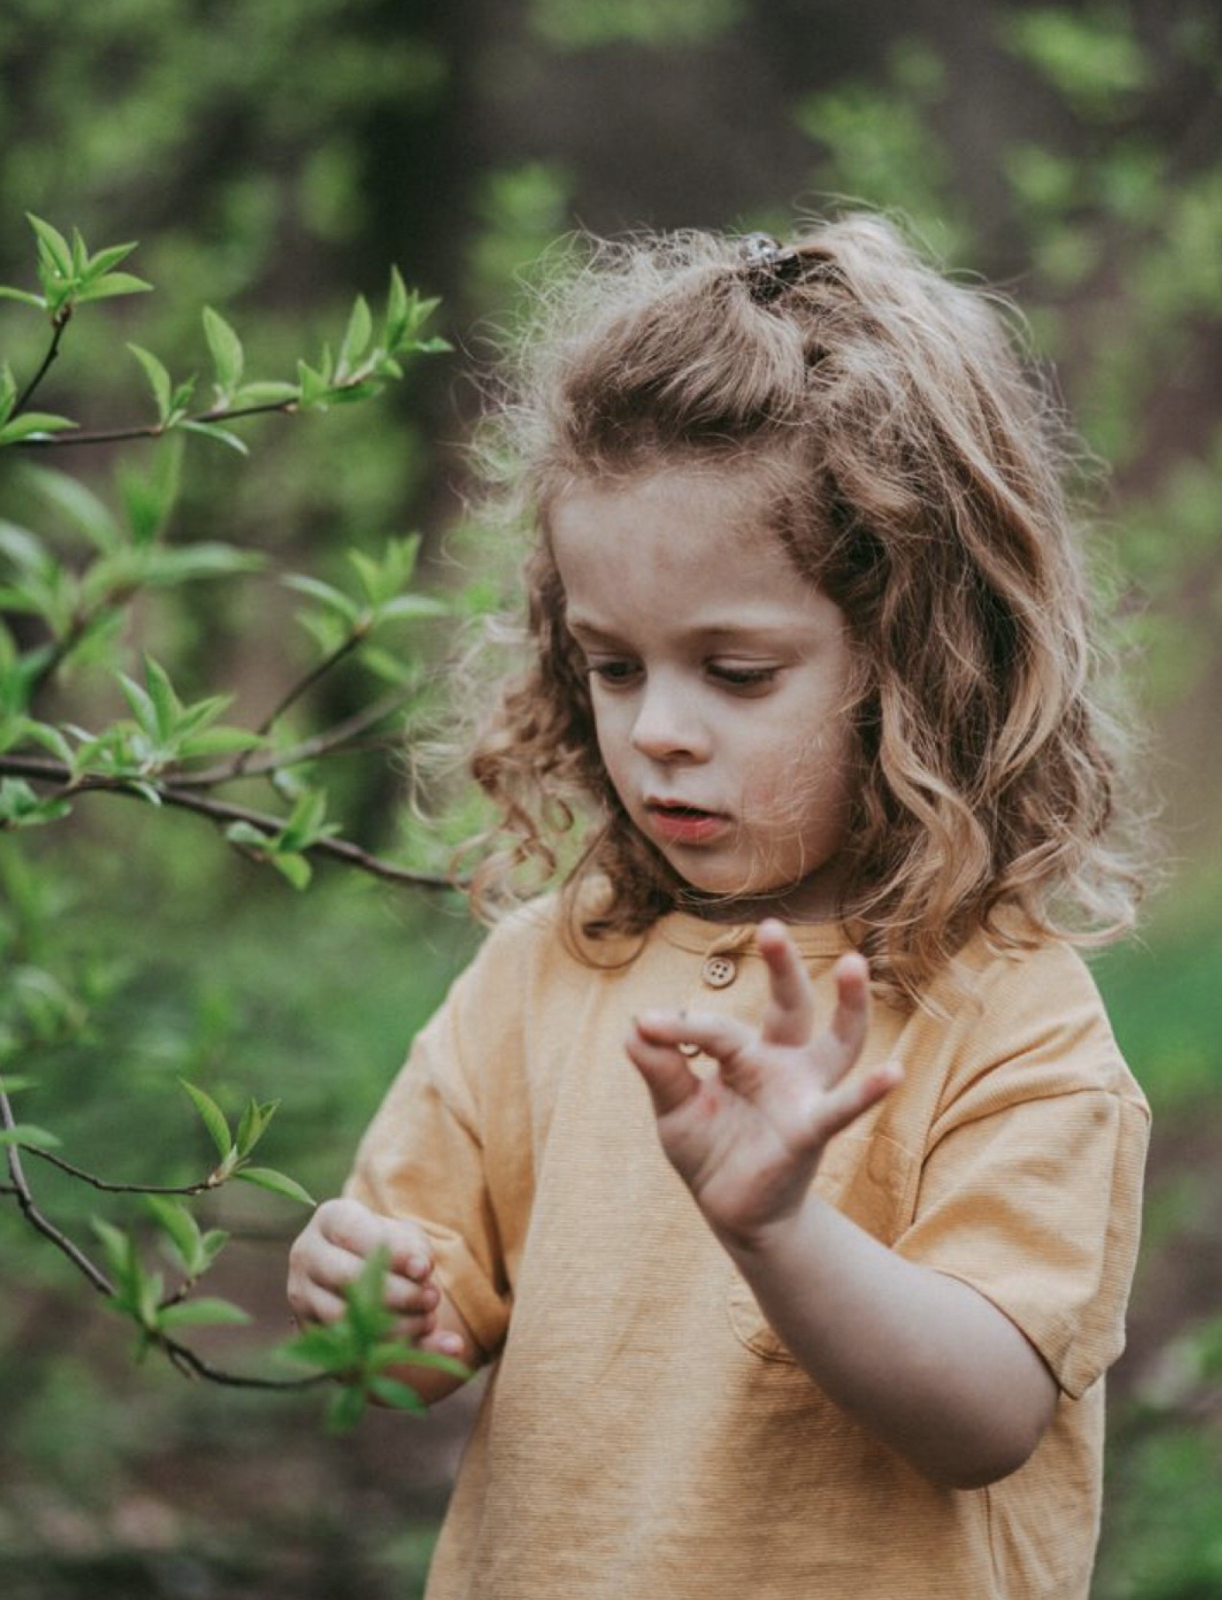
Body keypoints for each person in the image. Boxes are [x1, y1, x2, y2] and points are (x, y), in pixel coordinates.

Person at [287, 216, 1150, 1599]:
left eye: (734, 671)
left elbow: (987, 1412)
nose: (658, 733)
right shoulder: (547, 972)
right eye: (613, 665)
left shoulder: (1005, 1013)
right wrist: (376, 1301)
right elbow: (423, 1330)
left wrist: (779, 1228)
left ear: (919, 661)